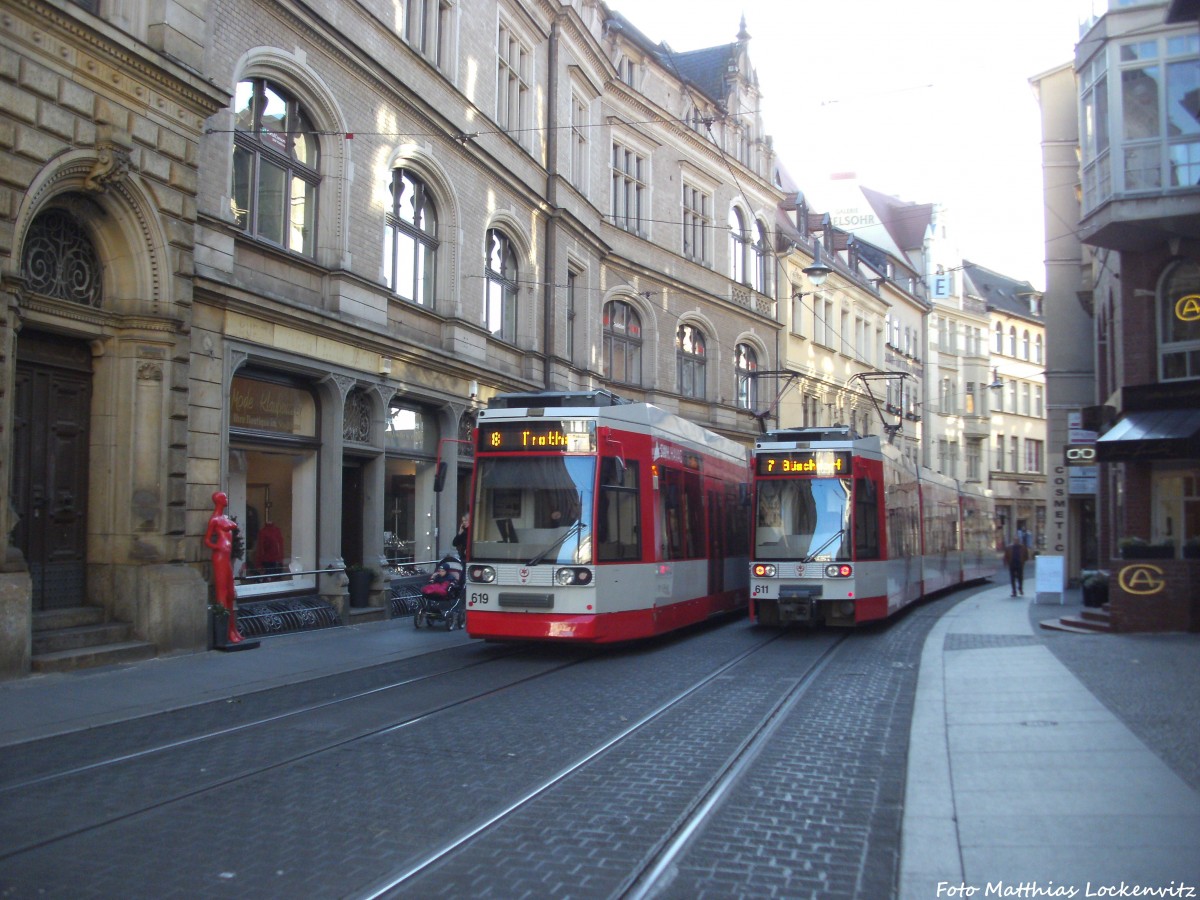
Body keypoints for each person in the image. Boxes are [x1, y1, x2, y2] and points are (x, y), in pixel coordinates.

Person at [204, 491, 243, 644]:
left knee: (230, 593)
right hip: (220, 556)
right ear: (219, 500)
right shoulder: (214, 519)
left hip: (226, 557)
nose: (227, 499)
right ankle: (225, 631)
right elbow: (207, 540)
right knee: (222, 591)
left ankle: (232, 629)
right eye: (224, 497)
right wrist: (217, 547)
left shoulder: (225, 518)